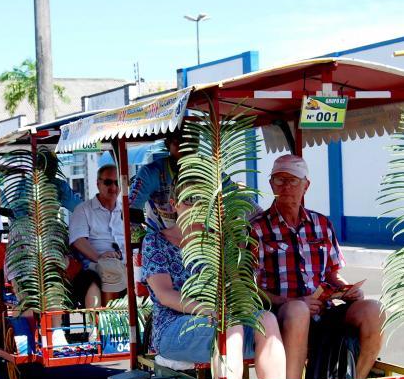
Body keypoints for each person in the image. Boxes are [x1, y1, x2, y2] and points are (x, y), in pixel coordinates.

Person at [142, 181, 295, 379]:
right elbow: (164, 294)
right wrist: (210, 309)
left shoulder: (218, 242)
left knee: (267, 320)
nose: (196, 209)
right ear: (176, 205)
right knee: (230, 324)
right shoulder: (156, 241)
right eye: (189, 202)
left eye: (203, 203)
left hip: (221, 322)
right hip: (175, 328)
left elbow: (237, 285)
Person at [250, 154, 385, 379]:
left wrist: (347, 290)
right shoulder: (257, 228)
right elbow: (248, 285)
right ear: (271, 184)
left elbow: (332, 273)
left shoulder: (322, 224)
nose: (285, 187)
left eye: (292, 180)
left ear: (306, 185)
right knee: (298, 311)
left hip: (325, 310)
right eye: (279, 180)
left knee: (375, 310)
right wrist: (288, 301)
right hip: (281, 311)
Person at [128, 130, 261, 233]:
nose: (187, 149)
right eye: (179, 142)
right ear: (168, 144)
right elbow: (132, 211)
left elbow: (239, 199)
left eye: (191, 143)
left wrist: (262, 220)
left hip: (200, 244)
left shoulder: (208, 170)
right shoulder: (151, 173)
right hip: (162, 241)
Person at [69, 164, 127, 310]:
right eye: (108, 182)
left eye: (117, 183)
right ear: (98, 184)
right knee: (109, 266)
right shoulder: (83, 209)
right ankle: (110, 325)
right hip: (95, 266)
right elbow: (78, 240)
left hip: (125, 262)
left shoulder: (126, 210)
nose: (113, 187)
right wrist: (99, 256)